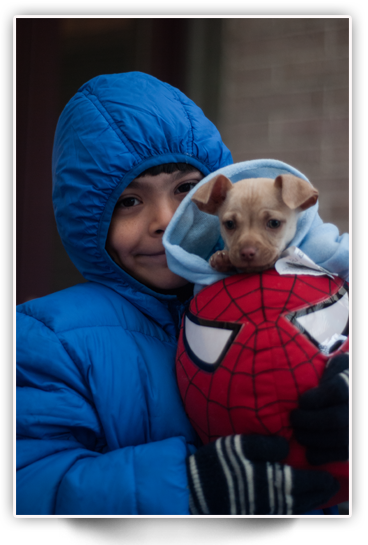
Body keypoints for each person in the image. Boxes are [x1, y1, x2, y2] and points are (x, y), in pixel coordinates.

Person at [16, 72, 348, 515]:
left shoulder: (295, 285)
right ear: (86, 221)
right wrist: (188, 488)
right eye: (129, 201)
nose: (166, 219)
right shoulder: (46, 339)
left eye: (185, 188)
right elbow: (31, 485)